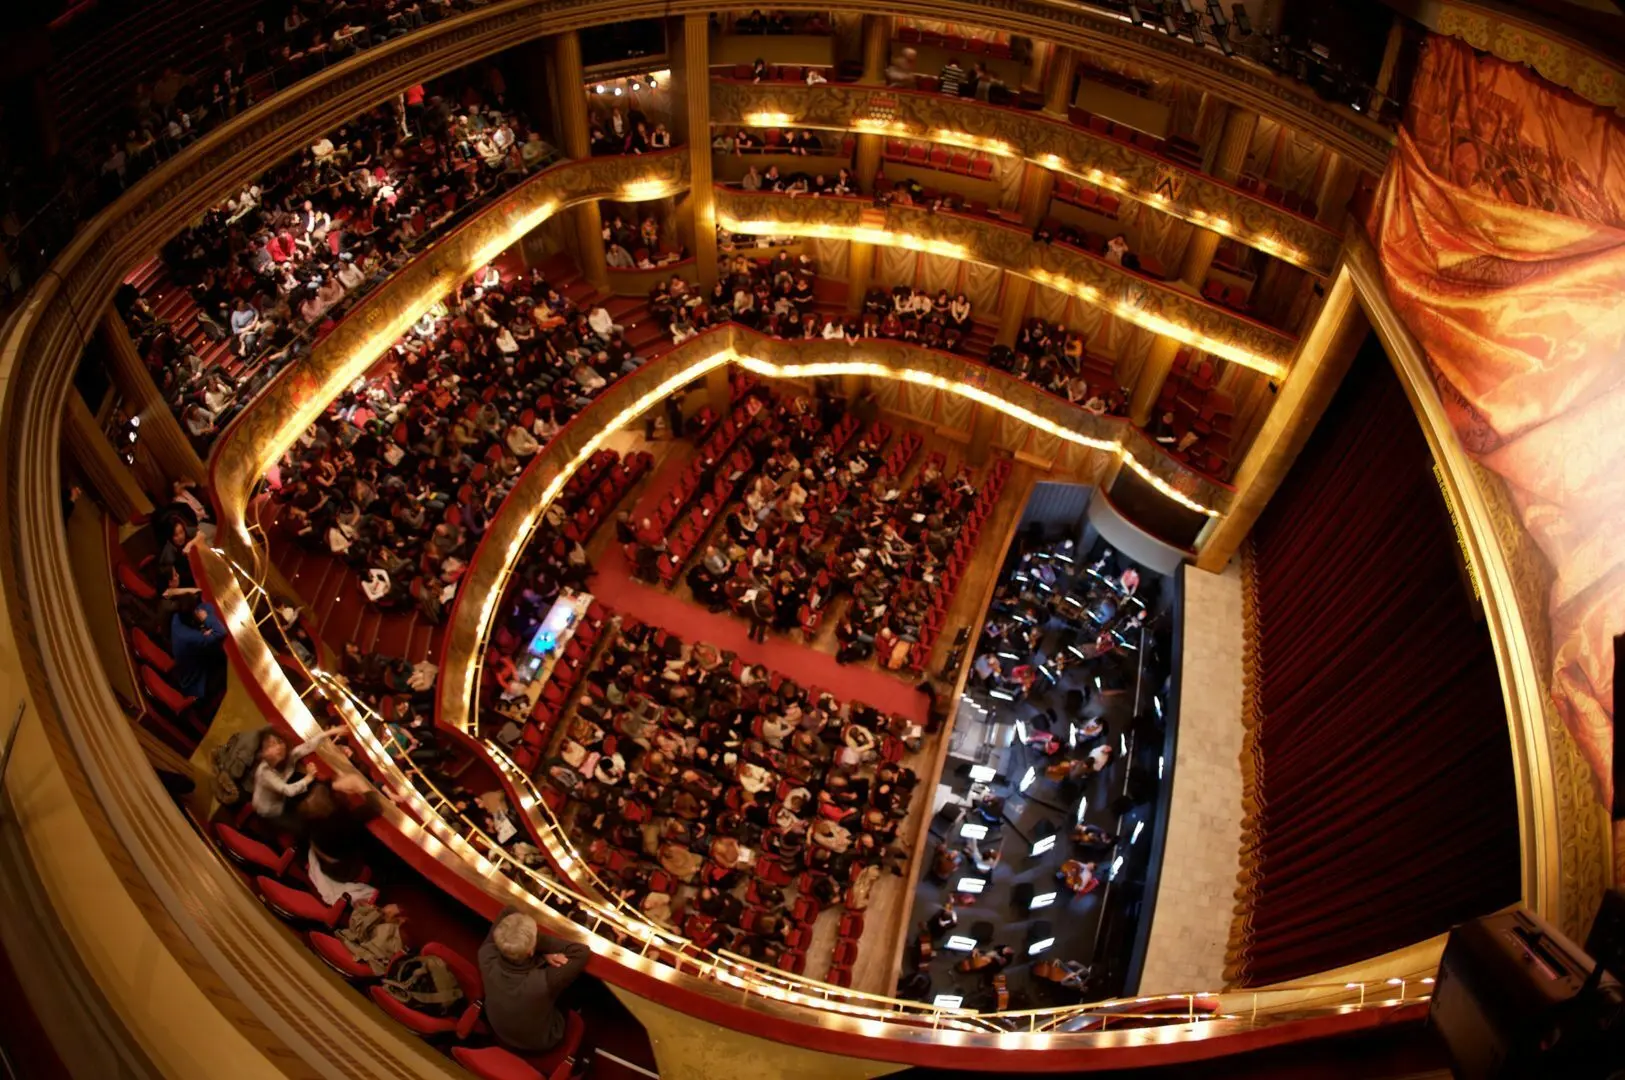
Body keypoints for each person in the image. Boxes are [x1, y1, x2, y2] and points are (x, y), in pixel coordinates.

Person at [479, 908, 591, 1053]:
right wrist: (538, 946)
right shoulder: (541, 983)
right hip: (539, 1042)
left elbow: (508, 910)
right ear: (531, 951)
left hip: (498, 1029)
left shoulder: (485, 955)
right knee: (576, 985)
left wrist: (534, 949)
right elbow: (581, 952)